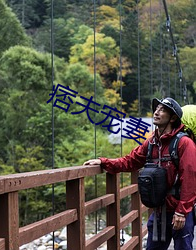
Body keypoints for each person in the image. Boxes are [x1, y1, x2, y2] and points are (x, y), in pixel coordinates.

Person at [83, 97, 196, 250]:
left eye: (162, 110)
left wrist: (182, 212)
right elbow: (130, 161)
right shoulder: (151, 143)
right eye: (156, 109)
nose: (156, 112)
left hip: (179, 211)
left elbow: (190, 178)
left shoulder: (184, 143)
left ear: (173, 118)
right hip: (159, 211)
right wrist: (103, 162)